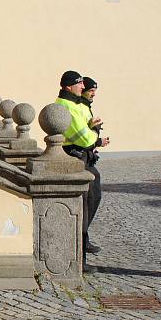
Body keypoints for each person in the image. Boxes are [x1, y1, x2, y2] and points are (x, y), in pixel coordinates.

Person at [55, 71, 104, 273]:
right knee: (81, 208)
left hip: (83, 157)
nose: (83, 88)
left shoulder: (75, 103)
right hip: (76, 157)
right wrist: (94, 133)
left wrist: (91, 130)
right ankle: (78, 258)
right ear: (69, 86)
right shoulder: (67, 106)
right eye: (79, 85)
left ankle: (82, 249)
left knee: (91, 198)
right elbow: (85, 139)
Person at [79, 76, 111, 254]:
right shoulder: (79, 107)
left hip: (87, 155)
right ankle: (82, 238)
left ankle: (84, 237)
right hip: (81, 157)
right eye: (91, 91)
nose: (93, 94)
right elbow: (81, 135)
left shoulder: (84, 106)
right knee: (88, 199)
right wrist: (96, 138)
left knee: (93, 197)